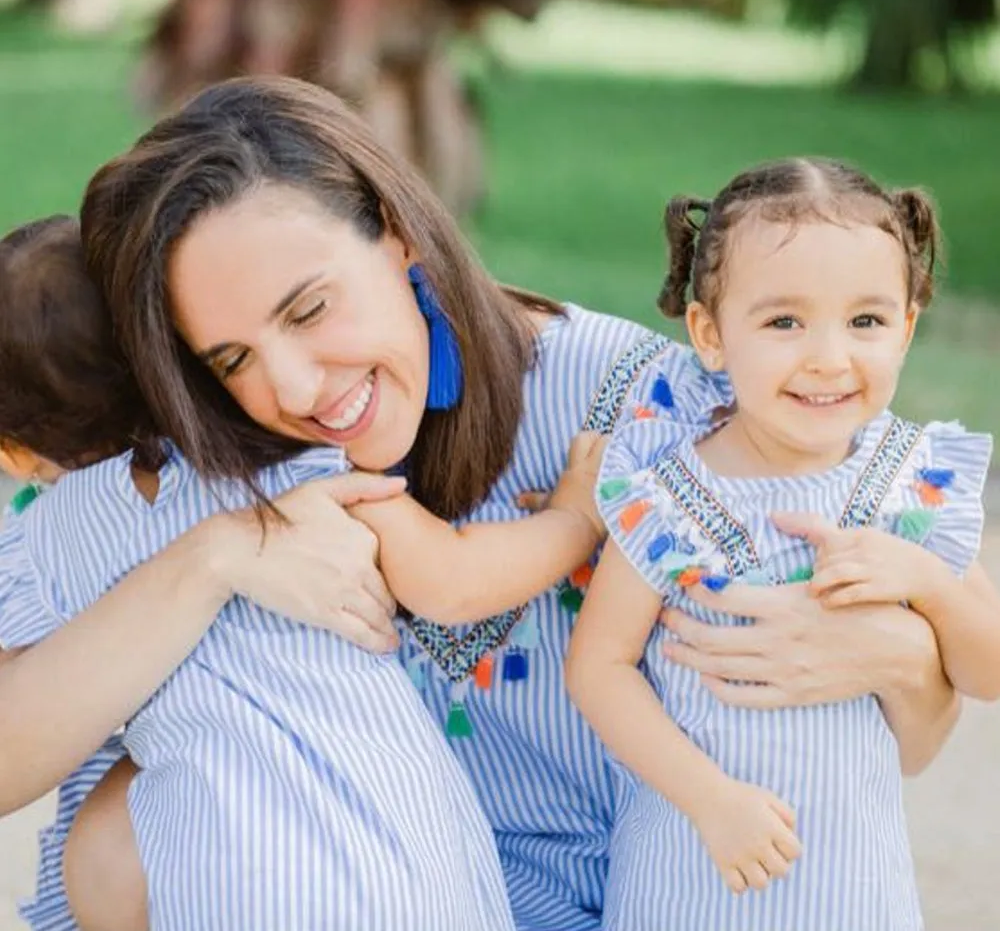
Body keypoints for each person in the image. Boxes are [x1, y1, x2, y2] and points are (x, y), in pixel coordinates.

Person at [1, 79, 958, 931]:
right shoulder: (210, 454)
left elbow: (908, 737)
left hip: (609, 897)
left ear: (396, 228)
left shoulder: (648, 415)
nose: (295, 387)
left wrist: (911, 662)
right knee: (114, 835)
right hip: (327, 896)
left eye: (309, 310)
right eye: (233, 357)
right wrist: (209, 559)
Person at [2, 215, 605, 929]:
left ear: (12, 453)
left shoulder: (39, 547)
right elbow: (454, 583)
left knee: (101, 852)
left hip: (227, 883)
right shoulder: (284, 467)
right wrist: (576, 522)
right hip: (407, 869)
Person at [566, 157, 1000, 931]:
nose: (829, 358)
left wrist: (927, 582)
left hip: (851, 882)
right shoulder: (666, 496)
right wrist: (709, 799)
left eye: (865, 321)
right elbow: (598, 669)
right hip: (694, 865)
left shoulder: (912, 483)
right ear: (711, 335)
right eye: (783, 322)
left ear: (906, 328)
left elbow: (988, 669)